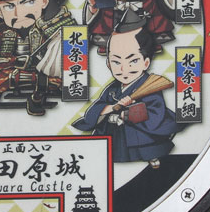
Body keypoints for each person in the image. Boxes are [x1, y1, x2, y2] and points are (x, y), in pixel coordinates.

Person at [73, 10, 179, 166]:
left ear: (146, 62)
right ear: (108, 63)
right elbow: (99, 106)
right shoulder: (113, 89)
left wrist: (128, 113)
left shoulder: (149, 86)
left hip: (139, 136)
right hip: (115, 134)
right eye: (116, 62)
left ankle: (151, 156)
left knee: (148, 148)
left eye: (133, 61)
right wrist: (111, 108)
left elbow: (156, 114)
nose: (124, 69)